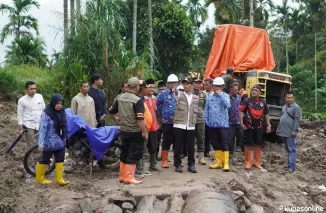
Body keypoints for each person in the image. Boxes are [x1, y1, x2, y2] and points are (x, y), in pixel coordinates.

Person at [109, 77, 147, 185]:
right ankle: (130, 177)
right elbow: (140, 120)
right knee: (133, 153)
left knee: (124, 153)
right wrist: (144, 132)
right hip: (135, 132)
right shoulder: (137, 100)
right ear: (137, 87)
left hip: (123, 131)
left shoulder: (120, 98)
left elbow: (111, 111)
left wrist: (116, 119)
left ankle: (123, 176)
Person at [35, 94, 69, 185]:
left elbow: (65, 124)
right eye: (57, 103)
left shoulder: (62, 111)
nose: (59, 105)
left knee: (60, 159)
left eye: (61, 104)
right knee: (45, 160)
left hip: (60, 141)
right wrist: (41, 143)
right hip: (49, 142)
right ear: (53, 102)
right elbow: (42, 129)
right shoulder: (46, 113)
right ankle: (39, 178)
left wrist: (66, 136)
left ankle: (59, 179)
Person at [240, 85, 271, 172]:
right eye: (253, 90)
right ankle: (247, 162)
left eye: (256, 90)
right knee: (248, 144)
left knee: (258, 144)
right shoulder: (246, 101)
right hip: (248, 126)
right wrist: (241, 123)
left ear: (260, 93)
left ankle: (256, 162)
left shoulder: (263, 103)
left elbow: (266, 114)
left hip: (259, 127)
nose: (253, 92)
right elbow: (241, 111)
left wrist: (268, 125)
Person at [205, 77, 231, 172]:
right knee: (215, 143)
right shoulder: (210, 96)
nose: (217, 88)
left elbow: (228, 105)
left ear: (223, 87)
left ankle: (226, 163)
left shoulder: (225, 96)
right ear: (213, 86)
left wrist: (220, 95)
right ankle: (218, 162)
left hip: (223, 124)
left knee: (224, 142)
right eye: (216, 86)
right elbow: (207, 109)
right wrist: (206, 120)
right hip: (212, 124)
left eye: (219, 86)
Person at [173, 77, 199, 173]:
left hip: (191, 124)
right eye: (185, 84)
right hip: (179, 124)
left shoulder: (196, 97)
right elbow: (175, 94)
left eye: (188, 84)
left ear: (192, 85)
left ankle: (191, 165)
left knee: (191, 146)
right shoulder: (179, 95)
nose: (186, 86)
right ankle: (177, 164)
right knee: (178, 145)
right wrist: (175, 91)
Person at [156, 74, 179, 168]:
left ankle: (177, 160)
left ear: (178, 83)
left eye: (174, 83)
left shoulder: (180, 93)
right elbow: (157, 105)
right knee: (166, 141)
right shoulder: (163, 94)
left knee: (178, 141)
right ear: (167, 84)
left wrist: (176, 94)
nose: (173, 85)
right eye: (171, 83)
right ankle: (164, 160)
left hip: (178, 122)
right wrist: (159, 117)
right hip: (167, 121)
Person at [277, 91, 301, 173]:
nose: (289, 99)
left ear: (293, 98)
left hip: (291, 132)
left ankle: (291, 168)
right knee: (287, 149)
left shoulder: (296, 107)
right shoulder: (284, 106)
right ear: (285, 98)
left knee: (292, 149)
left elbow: (297, 120)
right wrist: (278, 128)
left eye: (291, 97)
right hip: (283, 131)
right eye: (288, 97)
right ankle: (289, 165)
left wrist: (294, 130)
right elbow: (282, 118)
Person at [17, 81, 45, 147]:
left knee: (42, 143)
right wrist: (21, 128)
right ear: (26, 89)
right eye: (31, 89)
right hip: (29, 126)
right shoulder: (22, 100)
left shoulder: (40, 97)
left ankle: (45, 157)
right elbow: (20, 115)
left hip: (40, 124)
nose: (33, 90)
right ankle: (29, 157)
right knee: (30, 145)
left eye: (34, 89)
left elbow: (44, 110)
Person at [135, 80, 152, 178]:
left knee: (142, 149)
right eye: (146, 87)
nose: (148, 89)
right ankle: (139, 169)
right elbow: (139, 117)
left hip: (146, 128)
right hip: (142, 129)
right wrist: (143, 130)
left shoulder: (142, 99)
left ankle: (140, 168)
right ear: (142, 89)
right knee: (140, 149)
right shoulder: (138, 100)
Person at [144, 79, 160, 171]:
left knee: (154, 145)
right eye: (150, 87)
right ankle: (140, 167)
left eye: (153, 87)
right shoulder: (142, 99)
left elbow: (155, 111)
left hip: (153, 126)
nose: (152, 89)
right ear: (146, 88)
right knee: (142, 147)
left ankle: (152, 165)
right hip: (144, 127)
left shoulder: (155, 98)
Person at [193, 77, 207, 165]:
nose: (197, 85)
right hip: (191, 119)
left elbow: (205, 106)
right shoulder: (189, 94)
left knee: (201, 138)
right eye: (195, 83)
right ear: (192, 84)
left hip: (201, 119)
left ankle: (201, 157)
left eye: (199, 83)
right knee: (190, 139)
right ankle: (190, 156)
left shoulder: (203, 94)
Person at [228, 83, 243, 155]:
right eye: (236, 90)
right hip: (230, 122)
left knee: (241, 136)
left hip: (238, 121)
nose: (237, 91)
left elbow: (240, 108)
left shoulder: (238, 97)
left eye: (238, 90)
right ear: (231, 90)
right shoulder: (227, 97)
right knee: (230, 138)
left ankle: (239, 150)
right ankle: (230, 153)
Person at [203, 78, 214, 157]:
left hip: (213, 117)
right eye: (204, 85)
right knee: (204, 135)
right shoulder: (202, 93)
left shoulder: (214, 94)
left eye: (207, 85)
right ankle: (205, 150)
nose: (205, 86)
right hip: (203, 117)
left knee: (212, 135)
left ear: (211, 85)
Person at [156, 81, 166, 160]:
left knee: (166, 140)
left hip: (166, 122)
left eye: (163, 89)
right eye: (160, 89)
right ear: (158, 90)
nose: (162, 91)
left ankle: (164, 156)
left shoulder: (168, 98)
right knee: (157, 140)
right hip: (157, 122)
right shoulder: (155, 99)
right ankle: (155, 156)